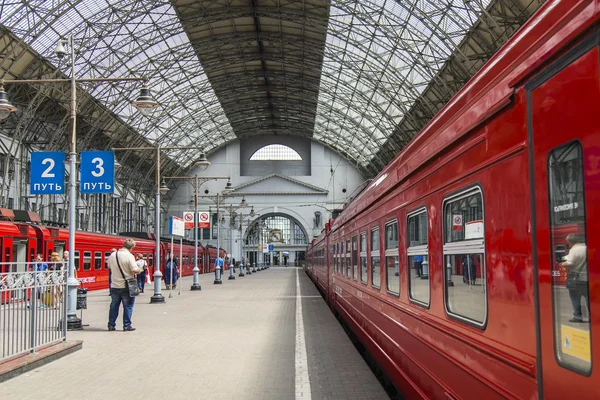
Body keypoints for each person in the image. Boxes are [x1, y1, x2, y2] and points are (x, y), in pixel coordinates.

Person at [107, 239, 141, 331]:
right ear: (131, 248)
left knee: (113, 306)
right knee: (128, 306)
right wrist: (139, 270)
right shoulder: (129, 256)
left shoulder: (113, 255)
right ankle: (126, 325)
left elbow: (109, 266)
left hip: (114, 285)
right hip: (127, 286)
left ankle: (111, 325)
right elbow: (134, 270)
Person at [560, 234, 589, 323]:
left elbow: (570, 263)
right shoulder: (586, 247)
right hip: (587, 277)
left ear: (570, 242)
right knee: (589, 297)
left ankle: (577, 316)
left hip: (576, 279)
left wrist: (563, 264)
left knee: (575, 298)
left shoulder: (574, 250)